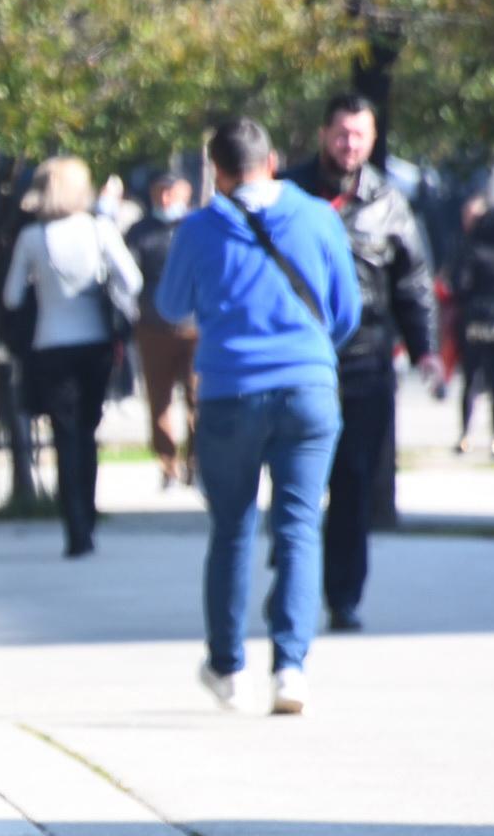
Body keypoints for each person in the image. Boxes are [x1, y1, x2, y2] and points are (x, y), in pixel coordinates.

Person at [154, 118, 359, 715]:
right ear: (272, 160)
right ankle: (291, 669)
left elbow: (170, 306)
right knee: (298, 526)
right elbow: (345, 312)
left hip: (229, 390)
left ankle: (227, 667)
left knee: (233, 527)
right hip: (309, 388)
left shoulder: (199, 227)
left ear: (216, 172)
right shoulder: (319, 216)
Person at [285, 95, 437, 631]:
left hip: (366, 361)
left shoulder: (389, 202)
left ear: (372, 140)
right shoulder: (289, 193)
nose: (349, 145)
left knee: (353, 481)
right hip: (298, 357)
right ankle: (293, 580)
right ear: (323, 133)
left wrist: (426, 352)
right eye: (342, 133)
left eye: (360, 136)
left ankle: (343, 595)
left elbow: (413, 283)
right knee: (298, 477)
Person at [0, 156, 143, 558]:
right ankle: (90, 519)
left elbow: (11, 296)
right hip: (95, 342)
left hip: (50, 345)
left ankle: (75, 528)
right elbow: (132, 279)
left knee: (65, 436)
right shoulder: (100, 229)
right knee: (87, 431)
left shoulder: (33, 238)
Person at [127, 172, 199, 487]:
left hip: (195, 328)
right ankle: (167, 460)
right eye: (161, 194)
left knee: (198, 397)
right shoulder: (140, 232)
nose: (167, 201)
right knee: (159, 399)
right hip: (153, 326)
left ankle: (195, 460)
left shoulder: (197, 227)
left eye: (173, 193)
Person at [451, 200, 494, 457]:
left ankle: (465, 435)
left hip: (474, 324)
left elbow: (459, 286)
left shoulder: (474, 254)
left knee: (470, 381)